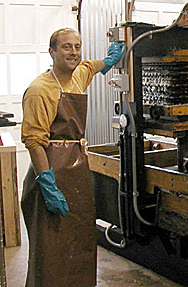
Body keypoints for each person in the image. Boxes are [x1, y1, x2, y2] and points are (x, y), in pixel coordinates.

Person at [20, 27, 125, 287]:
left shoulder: (79, 75)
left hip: (76, 173)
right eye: (66, 47)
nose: (74, 52)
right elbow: (34, 141)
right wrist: (47, 183)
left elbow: (90, 66)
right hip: (51, 171)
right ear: (52, 51)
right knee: (51, 249)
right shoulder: (39, 90)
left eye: (77, 46)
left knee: (79, 242)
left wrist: (110, 60)